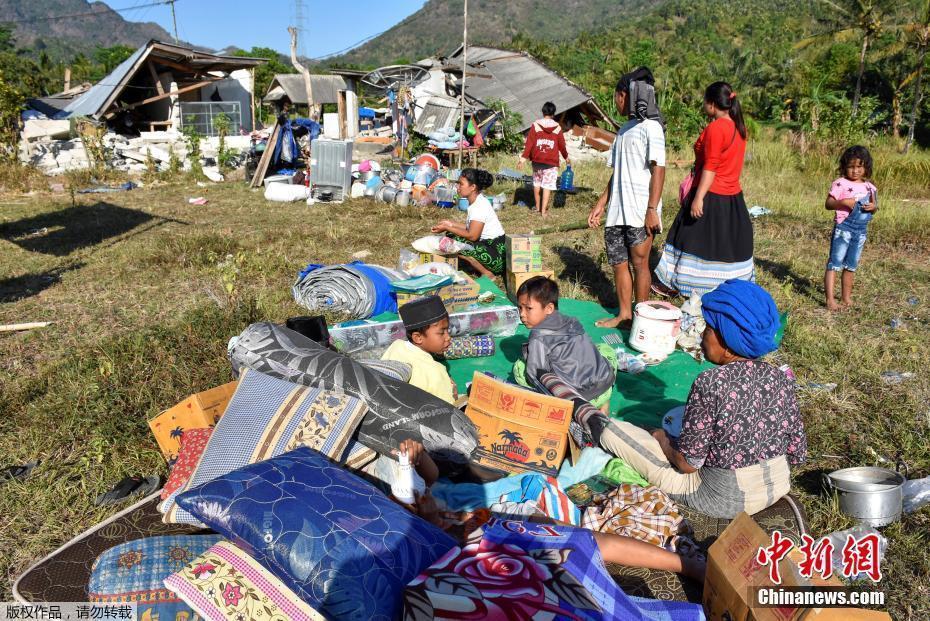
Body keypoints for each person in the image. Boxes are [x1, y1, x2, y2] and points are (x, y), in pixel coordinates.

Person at [574, 280, 806, 519]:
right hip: (778, 486)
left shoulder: (712, 383)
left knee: (612, 431)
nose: (702, 337)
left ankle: (593, 420)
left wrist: (660, 437)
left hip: (724, 500)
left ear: (727, 343)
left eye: (707, 329)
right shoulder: (780, 378)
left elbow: (687, 464)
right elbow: (797, 452)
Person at [392, 438, 706, 582]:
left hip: (523, 497)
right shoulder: (473, 538)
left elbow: (434, 483)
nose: (421, 498)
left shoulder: (442, 509)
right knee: (584, 533)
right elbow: (588, 541)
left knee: (591, 461)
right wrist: (685, 566)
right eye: (413, 504)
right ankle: (684, 564)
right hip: (532, 509)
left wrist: (418, 458)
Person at [654, 81, 753, 297]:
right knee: (721, 243)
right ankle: (723, 285)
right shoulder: (739, 127)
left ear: (711, 103)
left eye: (704, 102)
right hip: (732, 196)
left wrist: (699, 197)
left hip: (711, 192)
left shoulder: (717, 128)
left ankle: (678, 284)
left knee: (687, 239)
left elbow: (711, 166)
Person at [588, 68, 666, 328]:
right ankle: (624, 314)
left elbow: (659, 169)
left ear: (626, 95)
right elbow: (616, 174)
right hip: (617, 211)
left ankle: (641, 319)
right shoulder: (623, 131)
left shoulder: (652, 128)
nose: (616, 102)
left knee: (640, 263)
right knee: (618, 263)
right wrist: (601, 204)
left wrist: (652, 209)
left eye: (617, 97)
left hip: (640, 210)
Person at [512, 276, 617, 413]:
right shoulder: (570, 321)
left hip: (577, 400)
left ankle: (590, 407)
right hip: (605, 386)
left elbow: (535, 374)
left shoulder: (538, 337)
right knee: (605, 349)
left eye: (528, 309)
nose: (522, 314)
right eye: (520, 308)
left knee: (519, 369)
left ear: (549, 308)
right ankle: (604, 403)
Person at [824, 145, 878, 311]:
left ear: (866, 167)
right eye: (851, 167)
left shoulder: (870, 187)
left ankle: (846, 297)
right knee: (835, 263)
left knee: (851, 265)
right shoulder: (840, 183)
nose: (855, 171)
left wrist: (873, 208)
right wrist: (843, 202)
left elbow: (875, 207)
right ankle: (830, 300)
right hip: (843, 229)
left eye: (859, 167)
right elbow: (828, 204)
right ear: (844, 167)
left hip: (860, 232)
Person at [381, 295, 457, 404]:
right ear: (418, 337)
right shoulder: (436, 372)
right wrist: (453, 393)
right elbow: (449, 409)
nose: (448, 337)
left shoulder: (396, 346)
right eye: (441, 332)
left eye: (447, 331)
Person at [431, 168, 506, 277]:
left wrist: (448, 228)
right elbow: (471, 227)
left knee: (454, 242)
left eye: (461, 184)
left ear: (473, 187)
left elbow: (472, 236)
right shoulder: (477, 202)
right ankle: (479, 266)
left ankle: (487, 273)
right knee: (452, 235)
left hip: (496, 255)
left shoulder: (479, 207)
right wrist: (450, 223)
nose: (458, 187)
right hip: (492, 249)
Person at [519, 101, 570, 216]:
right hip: (551, 163)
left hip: (537, 160)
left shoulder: (536, 125)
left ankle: (537, 207)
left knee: (537, 183)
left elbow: (529, 143)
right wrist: (566, 157)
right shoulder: (557, 127)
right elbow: (562, 145)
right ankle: (543, 211)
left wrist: (522, 159)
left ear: (543, 112)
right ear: (553, 113)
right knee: (547, 186)